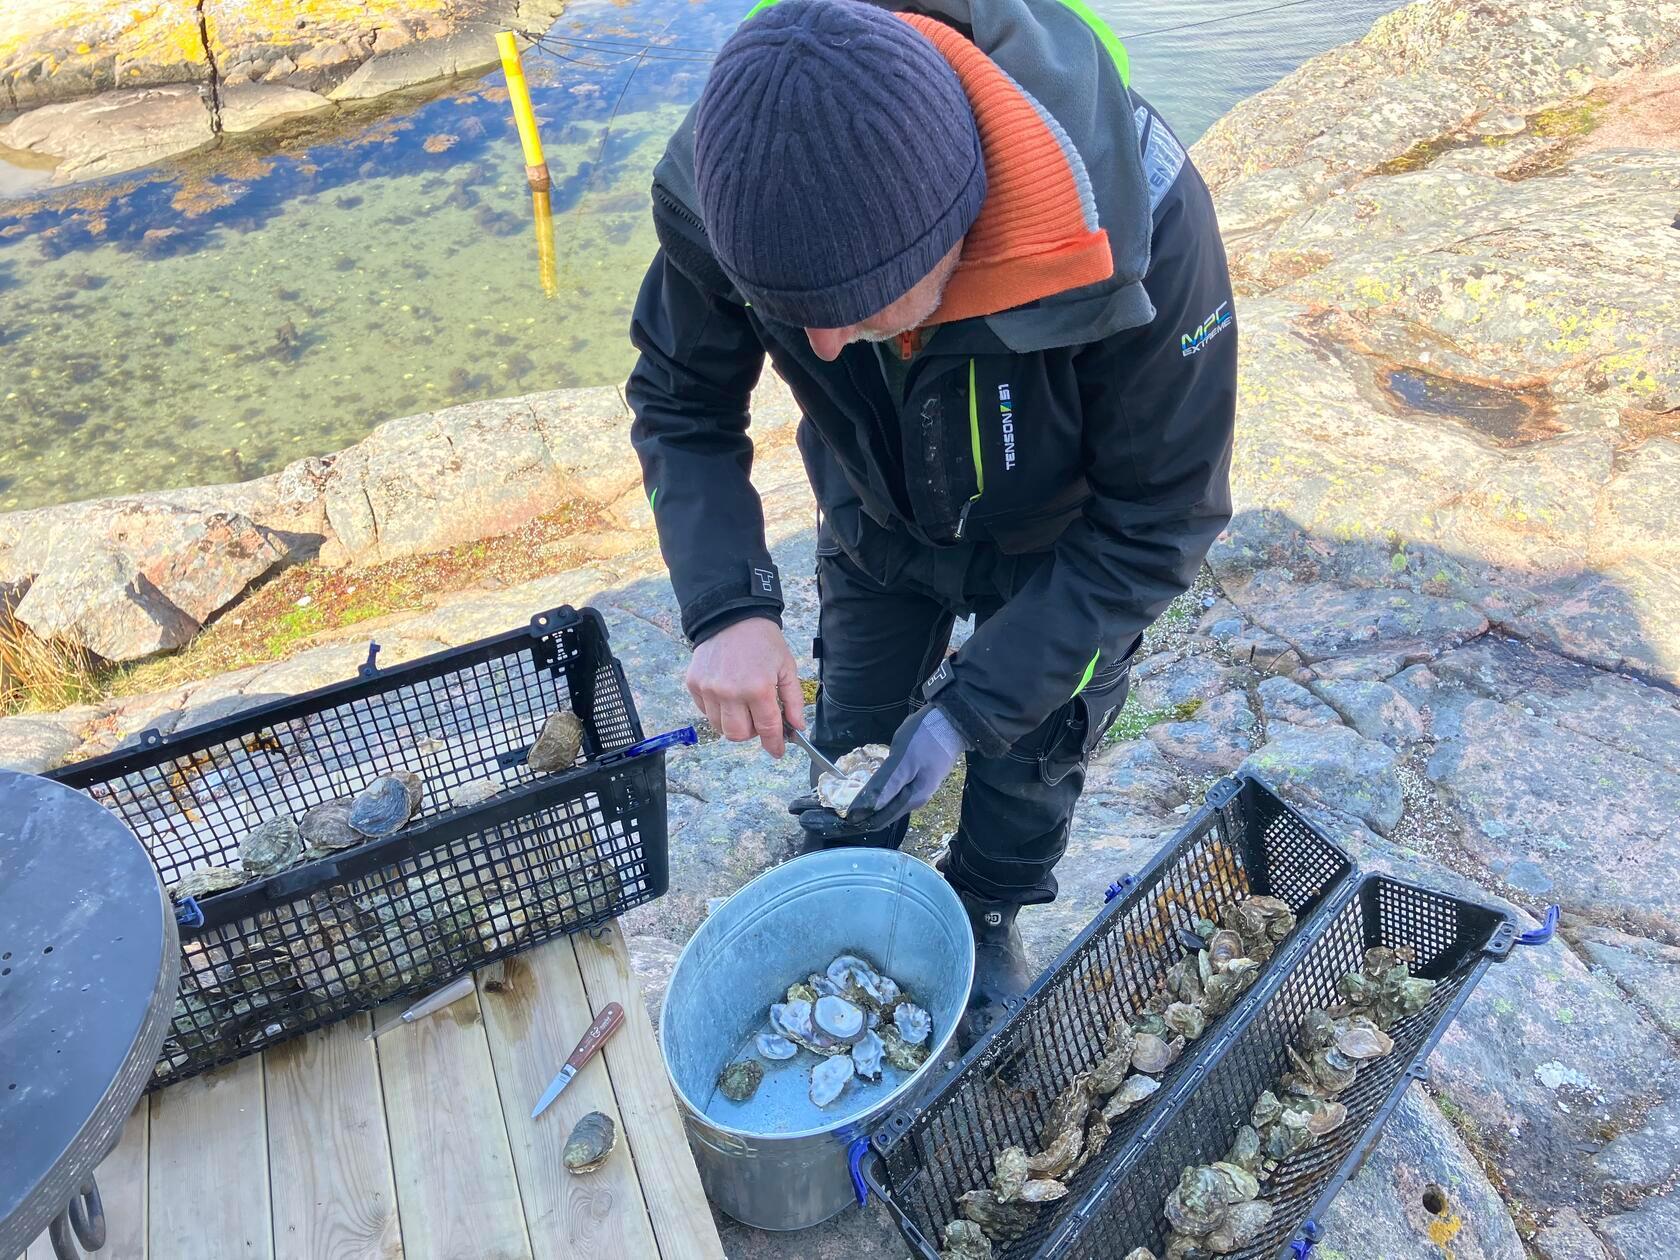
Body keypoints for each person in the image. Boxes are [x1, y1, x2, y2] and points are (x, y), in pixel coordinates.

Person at [628, 0, 1237, 1046]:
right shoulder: (727, 179)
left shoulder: (1142, 218)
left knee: (1035, 744)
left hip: (1067, 541)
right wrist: (726, 606)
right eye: (789, 311)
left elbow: (1160, 518)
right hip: (874, 513)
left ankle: (987, 908)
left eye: (860, 306)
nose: (820, 345)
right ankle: (844, 865)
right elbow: (683, 402)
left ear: (964, 220)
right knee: (859, 724)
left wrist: (968, 711)